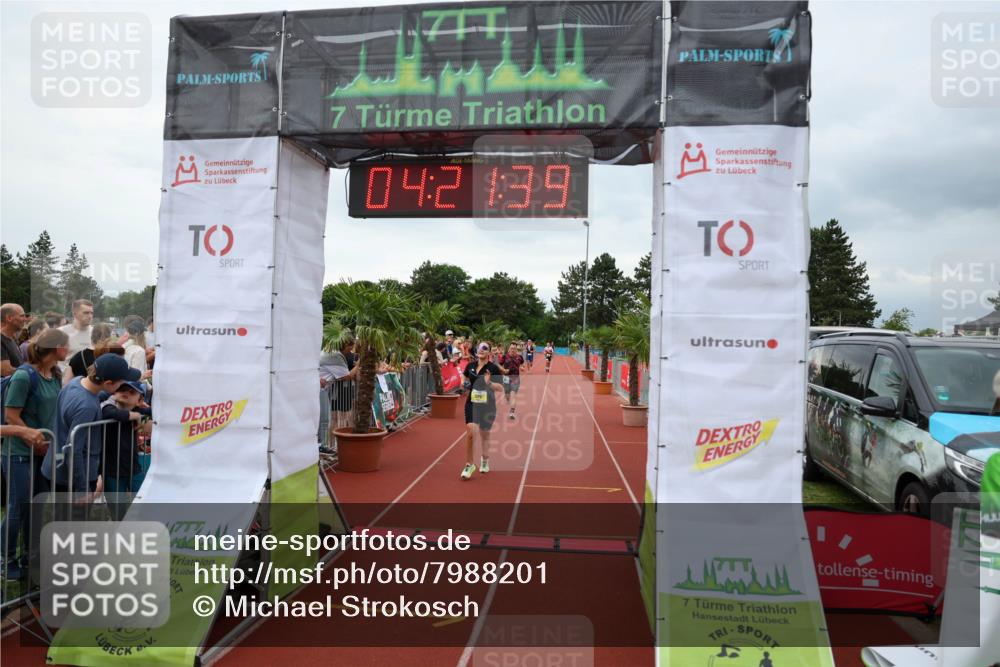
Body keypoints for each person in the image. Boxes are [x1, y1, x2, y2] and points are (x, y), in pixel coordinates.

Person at [1, 328, 69, 578]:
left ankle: (30, 557)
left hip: (43, 452)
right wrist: (31, 435)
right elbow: (11, 415)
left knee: (37, 507)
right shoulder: (23, 376)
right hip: (19, 453)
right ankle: (5, 560)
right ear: (55, 348)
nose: (68, 350)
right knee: (18, 507)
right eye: (66, 345)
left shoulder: (55, 374)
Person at [41, 354, 140, 496]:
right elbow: (73, 450)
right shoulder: (86, 407)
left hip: (56, 468)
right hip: (74, 479)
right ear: (108, 383)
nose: (123, 386)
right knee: (73, 518)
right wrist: (83, 489)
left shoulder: (75, 382)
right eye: (122, 382)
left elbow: (94, 396)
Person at [100, 380, 151, 517]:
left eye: (132, 392)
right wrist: (137, 416)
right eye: (122, 390)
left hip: (133, 468)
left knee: (144, 502)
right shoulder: (108, 407)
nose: (126, 393)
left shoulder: (138, 409)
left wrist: (147, 419)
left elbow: (156, 411)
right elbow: (114, 414)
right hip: (111, 471)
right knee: (118, 511)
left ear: (140, 401)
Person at [460, 342, 507, 480]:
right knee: (471, 433)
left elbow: (500, 387)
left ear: (489, 353)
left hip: (488, 405)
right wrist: (463, 383)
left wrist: (489, 383)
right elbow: (464, 376)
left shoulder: (493, 368)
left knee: (484, 434)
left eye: (485, 348)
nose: (481, 350)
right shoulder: (471, 365)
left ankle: (485, 459)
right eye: (479, 348)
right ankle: (469, 464)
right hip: (472, 403)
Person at [499, 342, 524, 420]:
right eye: (511, 348)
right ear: (509, 349)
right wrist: (503, 369)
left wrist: (522, 367)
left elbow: (522, 364)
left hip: (515, 378)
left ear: (516, 349)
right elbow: (499, 364)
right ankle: (508, 399)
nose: (512, 350)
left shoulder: (519, 357)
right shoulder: (504, 357)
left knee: (513, 395)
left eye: (514, 348)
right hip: (506, 378)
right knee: (507, 395)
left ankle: (512, 412)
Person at [1, 303, 27, 376]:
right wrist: (31, 371)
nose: (25, 319)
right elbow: (6, 371)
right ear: (9, 318)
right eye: (22, 316)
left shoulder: (12, 338)